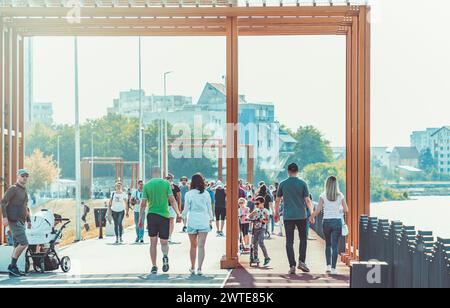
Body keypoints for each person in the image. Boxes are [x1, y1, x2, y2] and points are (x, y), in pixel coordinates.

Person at [139, 168, 181, 275]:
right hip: (164, 215)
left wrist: (140, 219)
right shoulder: (166, 183)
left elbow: (143, 204)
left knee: (153, 243)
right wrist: (178, 213)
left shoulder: (147, 185)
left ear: (152, 174)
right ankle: (165, 256)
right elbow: (172, 200)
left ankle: (154, 266)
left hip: (152, 215)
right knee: (164, 241)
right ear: (161, 174)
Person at [274, 163, 315, 275]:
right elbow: (307, 200)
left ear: (288, 171)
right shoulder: (302, 183)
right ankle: (302, 262)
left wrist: (276, 213)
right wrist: (311, 214)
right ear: (297, 171)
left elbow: (277, 200)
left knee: (289, 241)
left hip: (288, 216)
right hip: (301, 216)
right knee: (303, 239)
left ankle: (292, 265)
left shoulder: (283, 184)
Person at [310, 176, 348, 275]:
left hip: (326, 222)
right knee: (335, 245)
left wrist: (311, 217)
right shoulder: (340, 195)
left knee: (328, 244)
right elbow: (346, 209)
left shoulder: (323, 195)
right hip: (337, 222)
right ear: (336, 185)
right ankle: (334, 268)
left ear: (327, 184)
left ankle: (328, 266)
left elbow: (318, 210)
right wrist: (339, 210)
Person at [1, 169, 31, 277]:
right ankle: (12, 266)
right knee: (24, 243)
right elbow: (3, 202)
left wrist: (29, 220)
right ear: (18, 176)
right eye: (23, 176)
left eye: (27, 176)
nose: (25, 178)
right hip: (14, 220)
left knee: (17, 244)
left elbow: (26, 207)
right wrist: (4, 217)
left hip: (21, 221)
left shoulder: (24, 190)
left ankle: (13, 268)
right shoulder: (13, 189)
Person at [182, 173, 213, 276]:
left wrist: (181, 216)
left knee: (193, 246)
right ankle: (200, 268)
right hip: (204, 220)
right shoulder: (206, 194)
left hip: (192, 221)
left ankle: (192, 267)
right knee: (201, 246)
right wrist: (211, 219)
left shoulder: (189, 194)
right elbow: (209, 209)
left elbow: (186, 209)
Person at [248, 196, 271, 266]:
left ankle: (266, 257)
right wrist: (248, 217)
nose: (256, 205)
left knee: (261, 242)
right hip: (255, 228)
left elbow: (267, 221)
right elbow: (249, 216)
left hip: (262, 228)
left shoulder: (265, 211)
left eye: (258, 203)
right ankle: (255, 257)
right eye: (255, 204)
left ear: (262, 203)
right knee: (254, 243)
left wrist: (262, 220)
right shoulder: (255, 210)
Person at [166, 173, 182, 244]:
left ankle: (169, 236)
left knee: (171, 220)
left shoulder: (176, 187)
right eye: (167, 178)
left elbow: (179, 198)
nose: (168, 179)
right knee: (166, 221)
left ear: (172, 178)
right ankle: (165, 234)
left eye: (169, 178)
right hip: (165, 206)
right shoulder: (164, 186)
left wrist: (179, 208)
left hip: (173, 206)